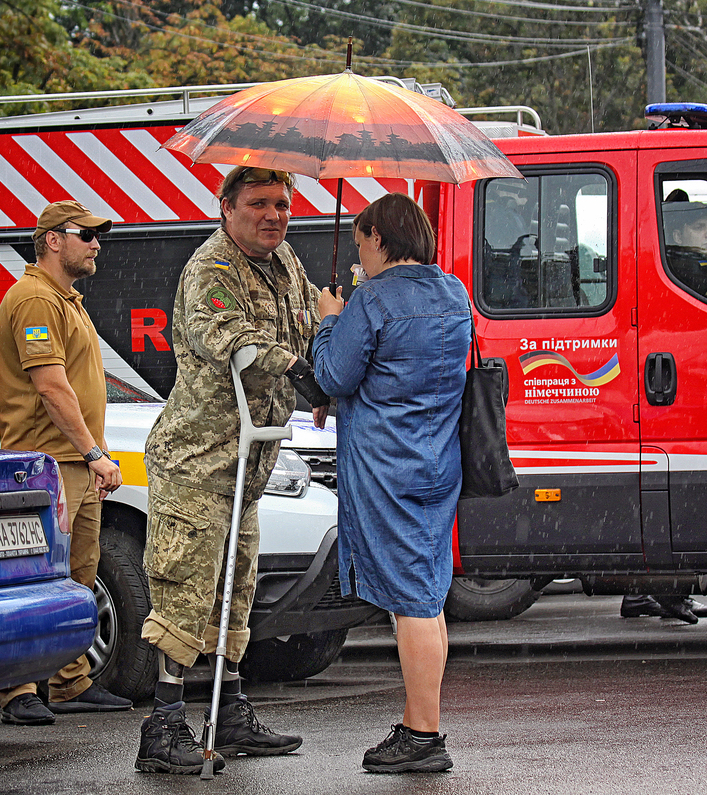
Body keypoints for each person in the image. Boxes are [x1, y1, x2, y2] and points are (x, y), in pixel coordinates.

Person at [135, 166, 330, 775]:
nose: (274, 215)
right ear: (226, 208)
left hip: (249, 463)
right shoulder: (211, 267)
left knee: (235, 588)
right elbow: (228, 336)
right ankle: (164, 726)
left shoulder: (287, 264)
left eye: (283, 203)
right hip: (199, 461)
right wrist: (297, 368)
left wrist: (329, 341)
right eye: (259, 204)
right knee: (185, 590)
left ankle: (232, 712)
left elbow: (304, 328)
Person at [314, 192, 470, 774]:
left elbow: (335, 373)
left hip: (386, 465)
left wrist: (331, 319)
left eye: (360, 245)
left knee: (411, 601)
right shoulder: (453, 293)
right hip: (437, 461)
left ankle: (424, 734)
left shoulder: (373, 299)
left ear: (379, 238)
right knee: (427, 595)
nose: (359, 258)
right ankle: (417, 720)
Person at [0, 200, 131, 725]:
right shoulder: (33, 298)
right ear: (53, 239)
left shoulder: (67, 300)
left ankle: (70, 681)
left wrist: (92, 456)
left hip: (72, 465)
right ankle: (17, 690)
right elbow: (51, 386)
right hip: (41, 467)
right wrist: (95, 453)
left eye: (99, 236)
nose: (97, 243)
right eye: (87, 234)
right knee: (30, 578)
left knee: (77, 576)